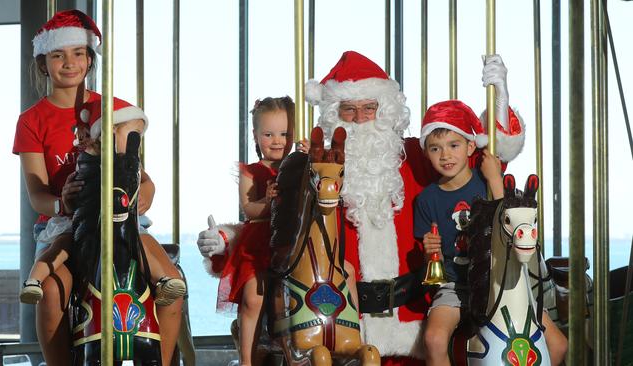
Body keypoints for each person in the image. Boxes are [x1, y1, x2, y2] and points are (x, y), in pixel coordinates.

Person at [198, 51, 525, 365]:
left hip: (414, 325)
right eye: (347, 110)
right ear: (332, 115)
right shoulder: (320, 166)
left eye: (369, 108)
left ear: (386, 110)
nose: (360, 119)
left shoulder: (416, 155)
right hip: (343, 330)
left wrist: (500, 102)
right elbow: (280, 222)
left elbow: (483, 163)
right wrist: (227, 236)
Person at [12, 10, 184, 366]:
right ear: (44, 62)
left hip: (119, 218)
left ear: (90, 59)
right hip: (65, 225)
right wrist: (63, 202)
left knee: (171, 286)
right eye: (58, 54)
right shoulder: (32, 121)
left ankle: (164, 359)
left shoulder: (114, 110)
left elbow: (140, 175)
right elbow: (36, 195)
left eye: (78, 53)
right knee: (51, 290)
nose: (69, 62)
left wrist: (141, 198)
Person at [209, 97, 308, 366]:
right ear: (255, 135)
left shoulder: (301, 168)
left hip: (291, 242)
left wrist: (311, 159)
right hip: (260, 242)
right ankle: (246, 359)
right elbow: (249, 210)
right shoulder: (251, 173)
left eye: (285, 134)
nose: (277, 141)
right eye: (269, 134)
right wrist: (267, 201)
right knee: (253, 298)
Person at [413, 100, 505, 365]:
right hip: (454, 285)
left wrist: (495, 179)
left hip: (493, 281)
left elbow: (504, 223)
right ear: (426, 153)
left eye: (453, 146)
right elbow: (432, 265)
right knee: (434, 339)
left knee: (557, 344)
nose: (445, 156)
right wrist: (432, 251)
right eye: (435, 148)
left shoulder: (485, 182)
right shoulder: (427, 200)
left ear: (470, 146)